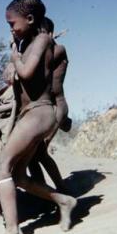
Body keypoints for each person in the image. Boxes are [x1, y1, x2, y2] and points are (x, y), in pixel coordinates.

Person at [0, 0, 77, 234]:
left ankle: (14, 232)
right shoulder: (28, 44)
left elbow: (26, 72)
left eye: (12, 24)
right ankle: (63, 200)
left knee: (2, 167)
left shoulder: (41, 40)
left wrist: (13, 58)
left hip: (40, 112)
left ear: (30, 19)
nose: (10, 29)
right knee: (17, 175)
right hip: (32, 114)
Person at [28, 17, 71, 193]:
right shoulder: (36, 52)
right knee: (32, 154)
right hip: (43, 108)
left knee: (39, 152)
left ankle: (63, 191)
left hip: (56, 107)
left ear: (51, 34)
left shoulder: (58, 50)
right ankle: (43, 193)